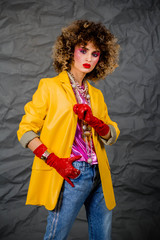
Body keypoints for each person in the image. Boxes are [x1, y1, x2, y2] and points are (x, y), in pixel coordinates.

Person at [17, 19, 120, 240]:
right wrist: (54, 160)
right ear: (70, 50)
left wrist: (98, 123)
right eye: (83, 50)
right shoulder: (49, 87)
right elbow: (25, 131)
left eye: (95, 54)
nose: (88, 58)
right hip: (71, 174)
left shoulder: (97, 95)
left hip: (99, 175)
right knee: (56, 237)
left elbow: (111, 135)